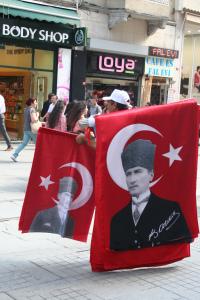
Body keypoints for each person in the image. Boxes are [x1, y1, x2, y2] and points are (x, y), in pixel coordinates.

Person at [110, 139, 191, 251]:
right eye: (128, 174)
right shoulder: (117, 219)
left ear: (151, 175)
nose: (132, 180)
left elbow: (180, 241)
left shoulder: (171, 209)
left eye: (138, 171)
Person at [10, 98, 39, 162]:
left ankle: (14, 155)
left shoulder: (26, 109)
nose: (36, 103)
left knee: (24, 143)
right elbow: (34, 120)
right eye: (35, 102)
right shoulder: (32, 110)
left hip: (26, 129)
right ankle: (39, 159)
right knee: (38, 145)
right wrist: (37, 115)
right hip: (32, 129)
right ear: (32, 103)